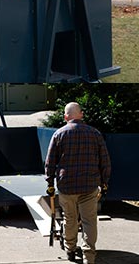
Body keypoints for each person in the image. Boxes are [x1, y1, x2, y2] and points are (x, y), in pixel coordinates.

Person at [46, 102, 111, 264]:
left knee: (70, 219)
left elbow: (50, 162)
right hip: (89, 185)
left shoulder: (59, 134)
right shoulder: (95, 134)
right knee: (89, 220)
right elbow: (105, 161)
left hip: (66, 186)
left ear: (66, 117)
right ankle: (89, 256)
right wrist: (104, 182)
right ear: (81, 114)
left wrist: (50, 183)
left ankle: (70, 249)